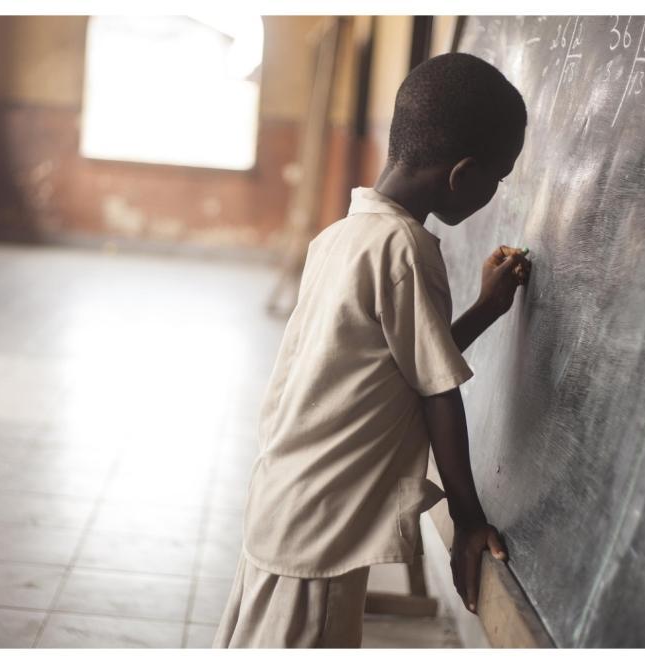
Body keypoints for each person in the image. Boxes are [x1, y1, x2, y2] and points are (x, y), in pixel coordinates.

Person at [212, 51, 531, 648]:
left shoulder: (343, 237)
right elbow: (437, 390)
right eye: (500, 176)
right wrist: (468, 519)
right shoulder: (406, 247)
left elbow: (402, 366)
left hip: (290, 499)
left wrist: (486, 310)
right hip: (324, 528)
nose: (498, 191)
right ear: (463, 175)